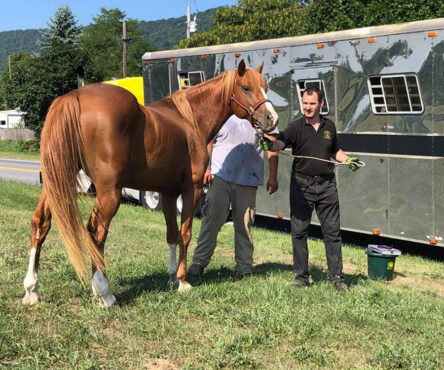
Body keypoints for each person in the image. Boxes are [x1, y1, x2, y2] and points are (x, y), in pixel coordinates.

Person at [259, 87, 361, 290]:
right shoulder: (296, 127)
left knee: (332, 232)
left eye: (312, 104)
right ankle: (301, 277)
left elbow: (335, 151)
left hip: (327, 185)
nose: (307, 107)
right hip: (302, 185)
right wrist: (271, 146)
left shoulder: (329, 126)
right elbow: (281, 142)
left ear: (321, 104)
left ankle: (337, 277)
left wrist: (348, 159)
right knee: (299, 232)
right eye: (305, 103)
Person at [188, 114, 279, 279]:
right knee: (212, 219)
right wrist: (206, 168)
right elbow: (209, 141)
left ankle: (244, 267)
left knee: (244, 224)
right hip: (221, 176)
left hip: (248, 179)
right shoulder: (224, 112)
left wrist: (273, 176)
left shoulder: (263, 114)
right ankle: (199, 262)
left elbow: (272, 146)